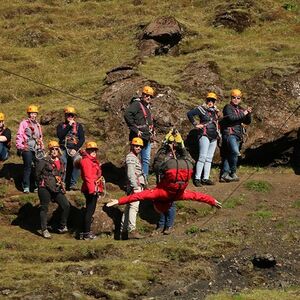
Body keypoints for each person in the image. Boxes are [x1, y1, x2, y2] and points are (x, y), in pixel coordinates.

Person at [107, 134, 222, 222]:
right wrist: (118, 201)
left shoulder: (177, 196)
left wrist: (212, 201)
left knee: (162, 165)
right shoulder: (158, 194)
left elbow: (197, 197)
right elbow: (137, 196)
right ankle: (169, 145)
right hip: (172, 168)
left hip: (186, 168)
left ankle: (180, 146)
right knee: (158, 165)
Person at [152, 129, 187, 235]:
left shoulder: (180, 154)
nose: (172, 145)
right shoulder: (163, 153)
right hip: (162, 181)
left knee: (170, 204)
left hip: (173, 183)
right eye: (170, 143)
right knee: (161, 202)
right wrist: (164, 144)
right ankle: (161, 225)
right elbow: (156, 163)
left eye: (173, 143)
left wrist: (181, 144)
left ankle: (169, 225)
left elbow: (187, 159)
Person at [35, 140, 70, 239]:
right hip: (44, 187)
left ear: (58, 150)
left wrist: (62, 184)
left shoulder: (62, 161)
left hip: (57, 187)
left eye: (56, 149)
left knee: (66, 205)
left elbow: (62, 174)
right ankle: (44, 229)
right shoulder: (44, 160)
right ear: (49, 150)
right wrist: (42, 182)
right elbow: (37, 174)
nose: (54, 151)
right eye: (52, 149)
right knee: (44, 208)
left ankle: (62, 226)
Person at [187, 92, 220, 187]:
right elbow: (189, 114)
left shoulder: (215, 111)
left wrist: (218, 113)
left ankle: (205, 178)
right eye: (209, 100)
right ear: (206, 100)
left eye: (212, 100)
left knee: (209, 158)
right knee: (202, 157)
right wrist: (195, 124)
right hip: (204, 135)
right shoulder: (201, 109)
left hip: (214, 136)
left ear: (215, 101)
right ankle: (197, 178)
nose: (210, 102)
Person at [219, 89, 252, 182]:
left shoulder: (240, 109)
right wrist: (244, 113)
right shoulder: (227, 107)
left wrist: (248, 114)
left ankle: (225, 174)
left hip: (238, 135)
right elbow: (231, 118)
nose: (236, 99)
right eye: (234, 97)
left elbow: (247, 121)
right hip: (230, 134)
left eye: (238, 98)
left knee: (229, 154)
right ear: (231, 98)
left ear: (240, 99)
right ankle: (232, 172)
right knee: (235, 152)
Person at [124, 86, 155, 178]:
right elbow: (127, 114)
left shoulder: (147, 107)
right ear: (142, 95)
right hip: (138, 138)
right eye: (146, 95)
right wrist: (135, 129)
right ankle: (133, 179)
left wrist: (152, 132)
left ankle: (144, 180)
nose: (148, 97)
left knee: (146, 160)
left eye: (150, 96)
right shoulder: (137, 104)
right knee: (134, 159)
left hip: (147, 137)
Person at [120, 137, 146, 239]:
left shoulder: (134, 157)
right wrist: (135, 186)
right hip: (135, 186)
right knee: (134, 207)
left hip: (135, 185)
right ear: (132, 146)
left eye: (140, 146)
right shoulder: (131, 157)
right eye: (136, 146)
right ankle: (132, 230)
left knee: (128, 208)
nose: (138, 148)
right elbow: (131, 173)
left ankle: (124, 231)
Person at [16, 105, 44, 193]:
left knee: (38, 167)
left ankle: (37, 185)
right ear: (29, 114)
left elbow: (40, 137)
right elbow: (19, 135)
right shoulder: (24, 123)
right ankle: (26, 186)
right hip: (27, 147)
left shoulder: (38, 125)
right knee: (27, 166)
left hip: (37, 148)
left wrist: (42, 147)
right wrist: (21, 146)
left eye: (34, 114)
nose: (33, 115)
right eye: (31, 113)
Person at [56, 106, 85, 190]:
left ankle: (73, 184)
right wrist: (68, 125)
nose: (70, 117)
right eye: (68, 115)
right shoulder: (61, 125)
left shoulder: (79, 126)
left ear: (74, 116)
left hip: (74, 148)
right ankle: (61, 183)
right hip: (63, 148)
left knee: (78, 161)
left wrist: (75, 149)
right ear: (65, 116)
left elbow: (82, 139)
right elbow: (60, 136)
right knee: (62, 162)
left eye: (71, 115)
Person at [79, 141, 104, 240]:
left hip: (94, 187)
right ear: (88, 151)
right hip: (90, 188)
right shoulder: (86, 161)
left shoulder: (92, 160)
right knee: (90, 211)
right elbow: (88, 177)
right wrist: (92, 190)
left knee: (90, 210)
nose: (94, 152)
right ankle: (86, 233)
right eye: (91, 150)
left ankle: (84, 232)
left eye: (95, 150)